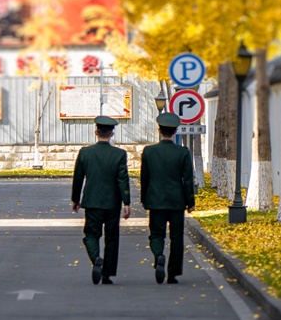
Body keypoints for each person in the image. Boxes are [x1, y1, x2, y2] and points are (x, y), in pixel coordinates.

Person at [71, 115, 131, 285]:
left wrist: (76, 199)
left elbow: (78, 178)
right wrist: (126, 202)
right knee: (112, 238)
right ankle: (107, 274)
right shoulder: (119, 154)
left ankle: (96, 258)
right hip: (113, 204)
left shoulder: (85, 153)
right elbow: (122, 179)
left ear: (96, 132)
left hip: (92, 202)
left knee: (91, 234)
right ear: (112, 134)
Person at [140, 112, 196, 285]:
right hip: (177, 201)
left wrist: (144, 199)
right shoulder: (183, 153)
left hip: (156, 200)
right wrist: (190, 202)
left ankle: (159, 255)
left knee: (156, 234)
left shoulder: (149, 151)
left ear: (159, 130)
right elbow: (187, 179)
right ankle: (172, 273)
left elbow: (144, 178)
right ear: (175, 131)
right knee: (177, 237)